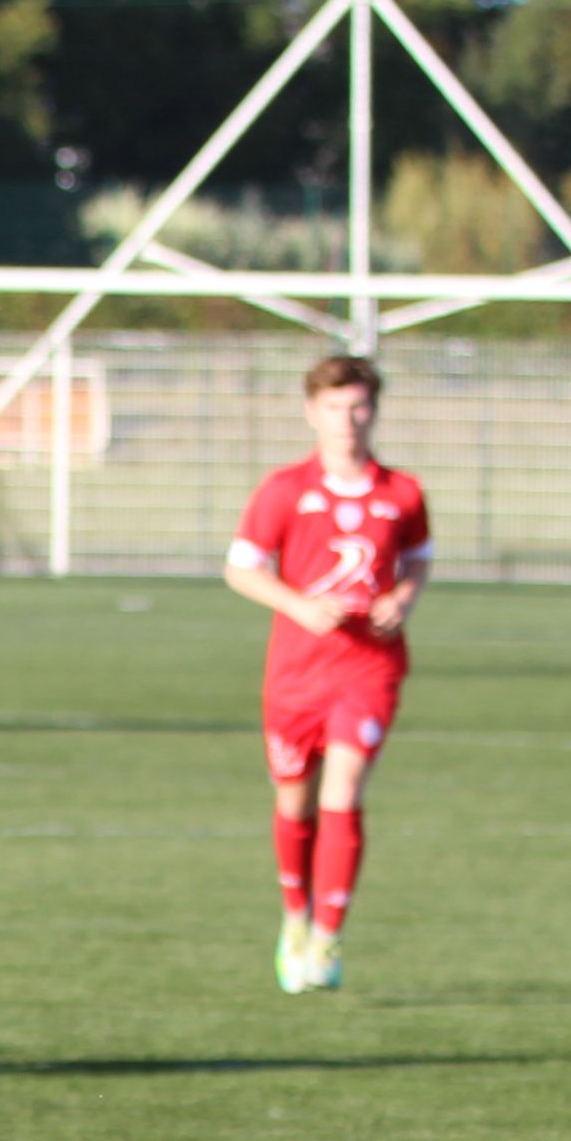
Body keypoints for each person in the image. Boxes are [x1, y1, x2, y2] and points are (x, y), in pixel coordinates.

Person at [222, 353, 430, 996]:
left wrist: (402, 598)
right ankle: (295, 916)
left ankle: (328, 938)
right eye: (335, 407)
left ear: (375, 410)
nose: (349, 419)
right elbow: (241, 568)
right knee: (295, 802)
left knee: (344, 789)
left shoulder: (402, 493)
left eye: (360, 406)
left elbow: (418, 561)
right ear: (312, 412)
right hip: (294, 674)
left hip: (368, 669)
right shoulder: (285, 490)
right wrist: (299, 604)